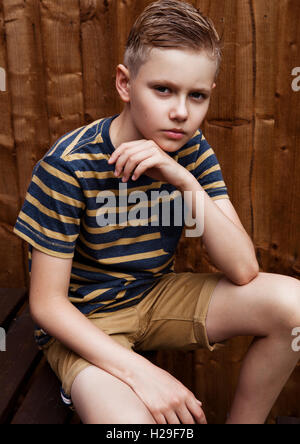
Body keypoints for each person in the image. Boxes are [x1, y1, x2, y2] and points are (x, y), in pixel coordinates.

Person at [13, 0, 300, 424]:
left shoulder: (191, 150)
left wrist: (183, 180)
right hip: (86, 322)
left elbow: (243, 269)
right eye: (163, 89)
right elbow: (48, 305)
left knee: (294, 306)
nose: (181, 112)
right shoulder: (69, 165)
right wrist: (146, 375)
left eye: (196, 95)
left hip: (154, 296)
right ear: (125, 84)